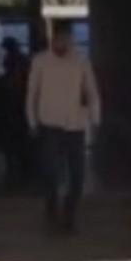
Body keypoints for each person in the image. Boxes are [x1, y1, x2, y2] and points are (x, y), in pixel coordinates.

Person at [26, 20, 100, 233]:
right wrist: (31, 121)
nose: (63, 42)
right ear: (53, 38)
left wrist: (95, 121)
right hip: (49, 124)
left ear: (71, 38)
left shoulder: (81, 62)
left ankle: (69, 213)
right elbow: (32, 94)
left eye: (67, 38)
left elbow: (92, 93)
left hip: (75, 125)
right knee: (50, 173)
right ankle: (52, 211)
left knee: (78, 176)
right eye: (59, 38)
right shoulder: (40, 62)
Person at [0, 36, 32, 188]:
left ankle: (19, 170)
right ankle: (22, 170)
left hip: (17, 106)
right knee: (19, 141)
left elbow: (14, 84)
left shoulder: (18, 63)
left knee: (16, 141)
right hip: (19, 106)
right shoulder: (22, 61)